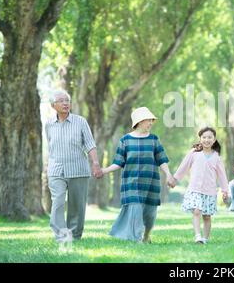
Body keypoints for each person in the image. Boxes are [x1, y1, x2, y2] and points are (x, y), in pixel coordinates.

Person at [101, 107, 172, 243]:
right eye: (148, 120)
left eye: (152, 120)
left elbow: (162, 159)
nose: (151, 123)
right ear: (139, 122)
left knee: (150, 214)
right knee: (135, 209)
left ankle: (146, 236)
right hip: (131, 182)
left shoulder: (153, 139)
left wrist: (168, 174)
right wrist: (104, 171)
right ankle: (136, 238)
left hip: (151, 182)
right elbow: (118, 162)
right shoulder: (125, 140)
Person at [45, 90, 103, 243]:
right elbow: (51, 147)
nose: (65, 103)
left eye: (67, 100)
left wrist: (95, 164)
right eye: (61, 101)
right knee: (57, 201)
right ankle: (61, 236)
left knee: (76, 205)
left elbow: (90, 144)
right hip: (56, 169)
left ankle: (75, 235)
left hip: (78, 169)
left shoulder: (80, 121)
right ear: (53, 105)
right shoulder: (49, 124)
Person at [168, 127, 229, 244]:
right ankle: (198, 236)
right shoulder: (194, 153)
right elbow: (184, 166)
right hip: (195, 189)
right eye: (204, 137)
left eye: (209, 137)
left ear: (214, 139)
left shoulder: (216, 157)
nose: (207, 140)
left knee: (206, 216)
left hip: (210, 191)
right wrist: (175, 179)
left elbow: (222, 175)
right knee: (196, 211)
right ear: (200, 139)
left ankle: (205, 238)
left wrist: (225, 190)